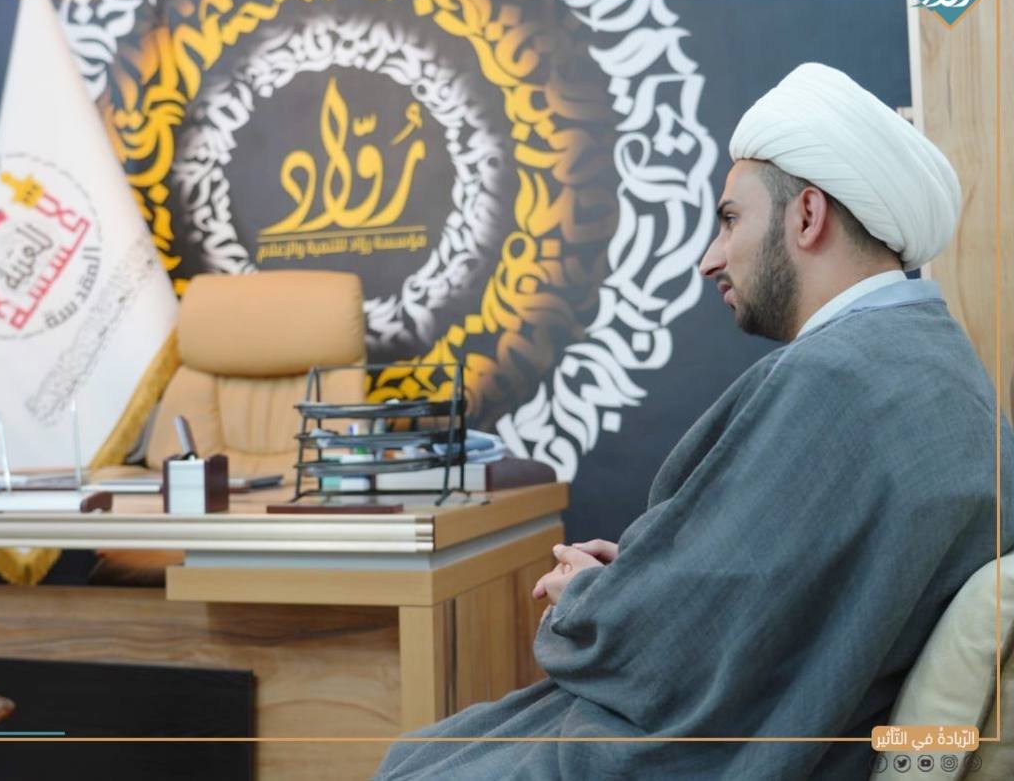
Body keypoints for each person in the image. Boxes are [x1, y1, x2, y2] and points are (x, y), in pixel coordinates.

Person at [375, 62, 1014, 779]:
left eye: (731, 220)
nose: (710, 259)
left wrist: (588, 599)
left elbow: (678, 657)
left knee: (420, 763)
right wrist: (647, 573)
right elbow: (780, 591)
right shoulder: (932, 360)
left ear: (807, 216)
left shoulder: (837, 379)